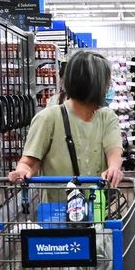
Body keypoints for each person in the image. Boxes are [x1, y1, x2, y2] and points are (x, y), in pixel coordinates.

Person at [8, 50, 122, 185]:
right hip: (57, 204)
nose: (108, 86)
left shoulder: (107, 117)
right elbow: (29, 162)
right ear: (97, 84)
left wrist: (114, 168)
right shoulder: (48, 118)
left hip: (98, 204)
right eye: (107, 82)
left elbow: (113, 150)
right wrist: (22, 170)